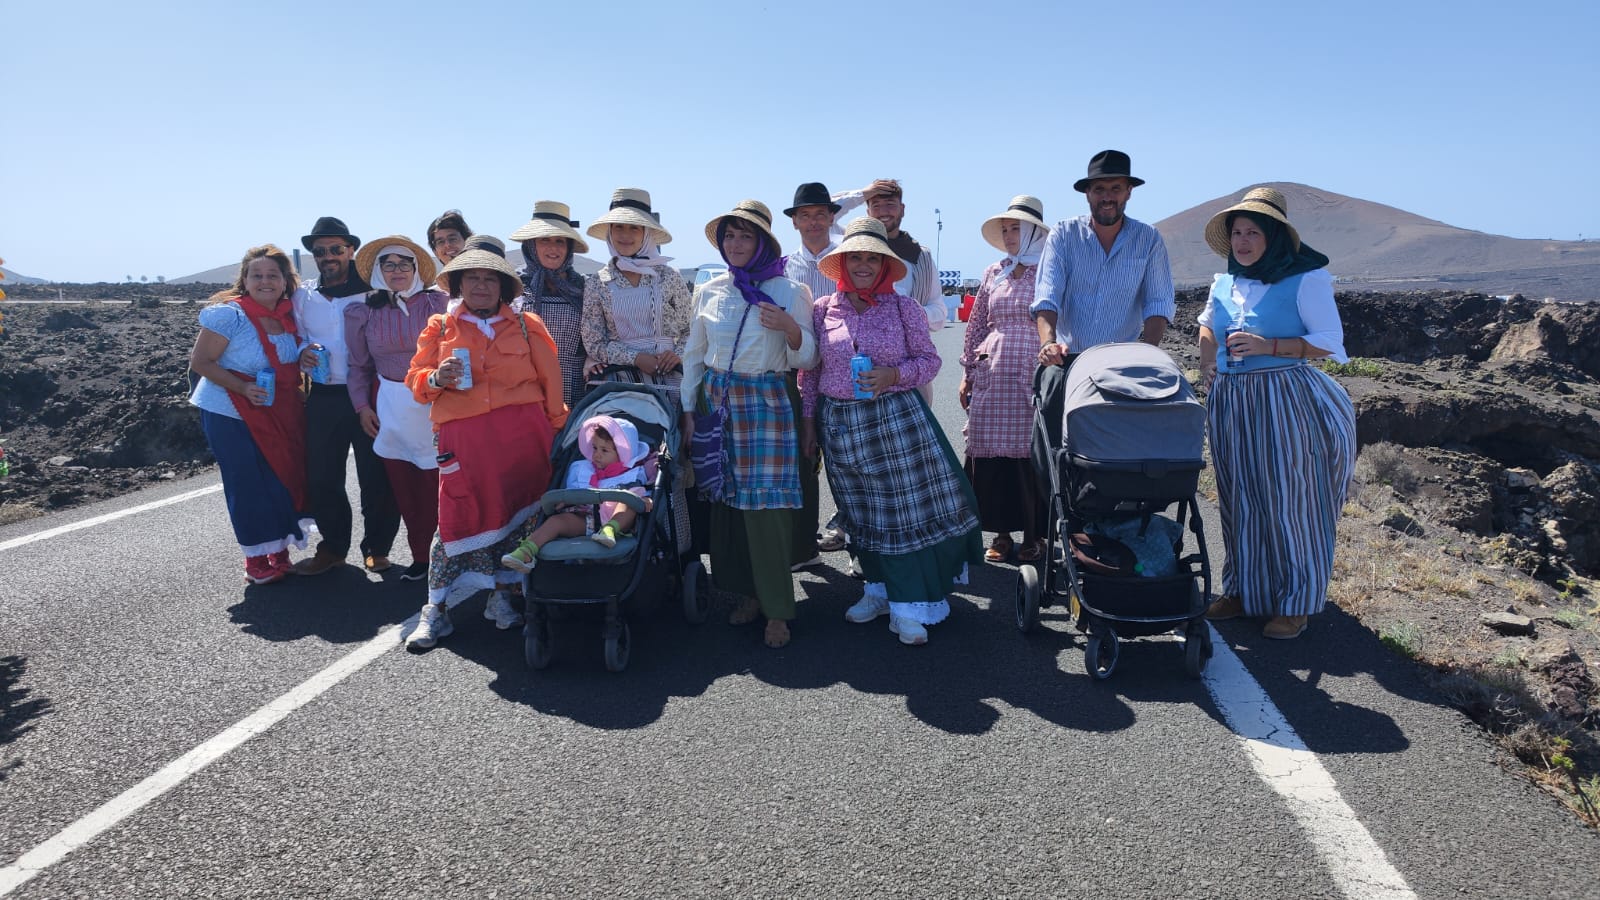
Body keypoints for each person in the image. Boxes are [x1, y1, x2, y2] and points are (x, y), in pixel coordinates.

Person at [799, 218, 983, 646]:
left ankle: (909, 606)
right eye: (855, 257)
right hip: (840, 425)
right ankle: (877, 590)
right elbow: (810, 375)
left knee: (904, 513)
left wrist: (892, 375)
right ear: (842, 263)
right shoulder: (824, 310)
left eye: (872, 258)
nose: (863, 265)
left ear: (885, 264)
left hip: (895, 420)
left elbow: (929, 361)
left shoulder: (904, 309)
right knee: (860, 511)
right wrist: (809, 422)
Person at [1197, 187, 1357, 640]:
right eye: (1237, 233)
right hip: (1230, 401)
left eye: (1253, 233)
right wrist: (1208, 361)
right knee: (1238, 496)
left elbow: (1329, 342)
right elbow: (1208, 324)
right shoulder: (1224, 281)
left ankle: (1297, 602)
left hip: (1283, 396)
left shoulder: (1307, 278)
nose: (1243, 242)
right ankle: (1243, 591)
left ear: (1274, 238)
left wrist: (1269, 347)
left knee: (1290, 499)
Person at [403, 239, 568, 650]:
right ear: (459, 283)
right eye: (472, 277)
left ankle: (502, 598)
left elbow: (552, 386)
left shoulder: (530, 327)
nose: (480, 285)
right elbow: (416, 381)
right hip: (465, 444)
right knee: (457, 520)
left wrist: (561, 437)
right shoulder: (439, 327)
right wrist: (435, 379)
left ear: (504, 286)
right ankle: (436, 612)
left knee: (519, 521)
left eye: (490, 278)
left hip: (525, 441)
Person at [683, 200, 818, 649]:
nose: (735, 244)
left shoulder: (790, 290)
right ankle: (747, 595)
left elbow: (809, 359)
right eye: (729, 236)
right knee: (730, 507)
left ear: (762, 242)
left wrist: (791, 330)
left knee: (769, 511)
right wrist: (689, 410)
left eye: (745, 236)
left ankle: (778, 607)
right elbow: (694, 356)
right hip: (719, 402)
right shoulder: (709, 290)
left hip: (767, 401)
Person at [1029, 150, 1175, 494]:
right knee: (1049, 412)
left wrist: (1146, 352)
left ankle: (1132, 503)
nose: (1107, 196)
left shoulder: (1149, 239)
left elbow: (1158, 303)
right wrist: (1047, 343)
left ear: (1128, 192)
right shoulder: (1064, 235)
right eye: (1099, 189)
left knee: (1140, 429)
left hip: (1124, 362)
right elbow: (1047, 296)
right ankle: (1059, 498)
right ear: (1087, 194)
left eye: (1115, 188)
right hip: (1069, 356)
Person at [187, 245, 314, 584]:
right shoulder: (231, 315)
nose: (265, 281)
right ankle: (256, 558)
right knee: (247, 484)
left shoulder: (288, 317)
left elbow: (286, 364)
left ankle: (279, 549)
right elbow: (200, 363)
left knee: (279, 477)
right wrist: (242, 388)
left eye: (273, 275)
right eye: (256, 275)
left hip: (275, 411)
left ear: (286, 281)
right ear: (244, 280)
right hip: (230, 412)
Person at [290, 216, 401, 576]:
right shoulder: (304, 296)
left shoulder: (373, 291)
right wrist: (303, 351)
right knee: (322, 475)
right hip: (324, 395)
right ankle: (333, 548)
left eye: (336, 249)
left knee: (376, 473)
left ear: (351, 250)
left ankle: (378, 548)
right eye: (321, 252)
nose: (329, 256)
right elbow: (297, 335)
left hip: (369, 393)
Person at [345, 235, 450, 581]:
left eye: (404, 263)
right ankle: (422, 556)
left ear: (417, 268)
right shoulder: (363, 312)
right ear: (378, 272)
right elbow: (358, 366)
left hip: (435, 401)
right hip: (389, 403)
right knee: (404, 485)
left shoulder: (439, 304)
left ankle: (450, 553)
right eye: (388, 264)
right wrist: (362, 406)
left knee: (441, 483)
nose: (397, 271)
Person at [960, 196, 1051, 564]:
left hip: (1031, 370)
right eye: (1006, 229)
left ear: (1033, 232)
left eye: (1017, 228)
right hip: (992, 371)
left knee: (1030, 454)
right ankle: (1001, 534)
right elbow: (977, 322)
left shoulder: (1048, 270)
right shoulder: (993, 272)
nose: (1010, 235)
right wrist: (967, 371)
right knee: (991, 452)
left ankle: (1034, 535)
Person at [779, 182, 842, 568]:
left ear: (833, 218)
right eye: (805, 215)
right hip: (799, 371)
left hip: (840, 371)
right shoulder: (785, 266)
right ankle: (804, 544)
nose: (813, 221)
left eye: (820, 214)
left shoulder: (848, 258)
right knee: (803, 457)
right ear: (795, 222)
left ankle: (860, 542)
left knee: (849, 461)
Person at [501, 415, 653, 572]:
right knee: (555, 522)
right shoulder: (583, 470)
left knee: (628, 501)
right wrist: (565, 500)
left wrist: (645, 499)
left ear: (622, 453)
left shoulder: (635, 473)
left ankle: (609, 530)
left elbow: (646, 490)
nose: (597, 455)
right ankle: (526, 551)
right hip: (585, 520)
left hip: (618, 522)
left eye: (604, 450)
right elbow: (572, 494)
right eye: (594, 448)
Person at [580, 188, 692, 397]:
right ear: (609, 232)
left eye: (634, 228)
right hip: (621, 382)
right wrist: (636, 358)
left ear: (646, 234)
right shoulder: (597, 283)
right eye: (619, 227)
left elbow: (691, 328)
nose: (625, 235)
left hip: (672, 381)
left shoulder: (669, 277)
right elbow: (594, 342)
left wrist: (677, 355)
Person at [510, 200, 589, 410]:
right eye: (545, 240)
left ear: (569, 247)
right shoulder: (513, 286)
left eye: (560, 241)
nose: (553, 248)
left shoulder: (583, 287)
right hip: (525, 385)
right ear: (531, 245)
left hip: (573, 387)